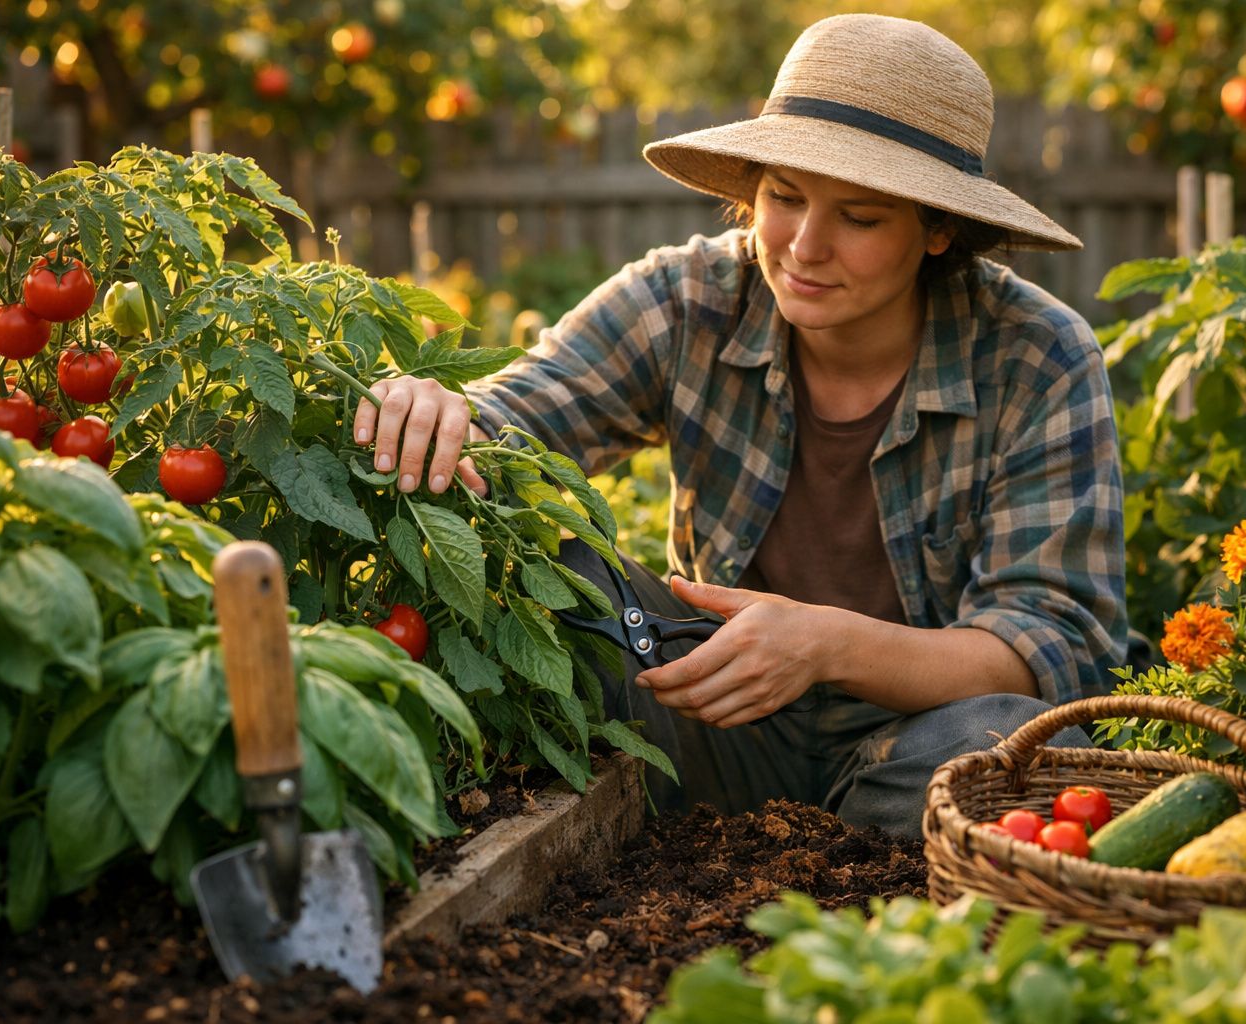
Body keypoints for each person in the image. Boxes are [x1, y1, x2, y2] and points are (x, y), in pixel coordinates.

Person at [352, 13, 1128, 836]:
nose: (803, 245)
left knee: (1018, 750)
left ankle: (824, 832)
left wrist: (827, 646)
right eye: (782, 198)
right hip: (706, 704)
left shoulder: (1035, 356)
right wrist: (442, 413)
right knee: (560, 566)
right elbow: (518, 421)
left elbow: (1048, 645)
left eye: (860, 218)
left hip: (913, 739)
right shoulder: (691, 300)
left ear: (939, 230)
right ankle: (767, 824)